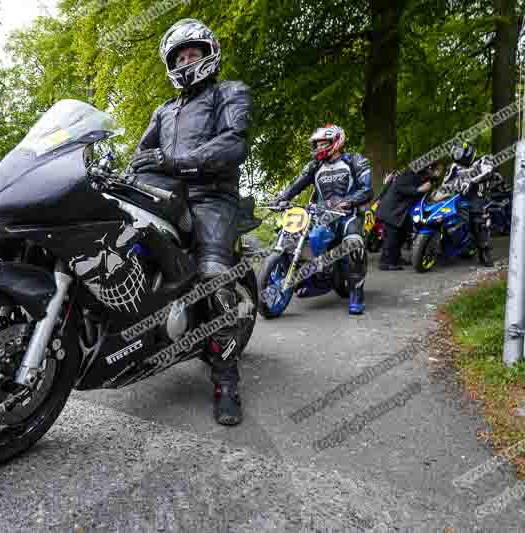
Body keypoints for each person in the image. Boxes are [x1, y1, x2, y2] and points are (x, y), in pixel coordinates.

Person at [129, 18, 252, 426]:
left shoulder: (228, 92)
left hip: (212, 197)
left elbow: (234, 141)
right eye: (179, 56)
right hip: (165, 197)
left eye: (192, 53)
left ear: (208, 54)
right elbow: (141, 155)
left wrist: (176, 162)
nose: (185, 61)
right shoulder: (163, 110)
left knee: (213, 277)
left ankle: (226, 380)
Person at [270, 124, 373, 315]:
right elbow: (295, 186)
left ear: (336, 142)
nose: (318, 148)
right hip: (321, 215)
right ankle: (307, 274)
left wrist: (349, 202)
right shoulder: (314, 166)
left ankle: (356, 296)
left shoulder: (355, 160)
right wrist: (280, 199)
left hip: (347, 215)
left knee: (353, 243)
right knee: (292, 234)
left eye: (322, 144)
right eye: (316, 145)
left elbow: (367, 190)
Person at [376, 163, 438, 270]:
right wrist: (419, 190)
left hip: (399, 213)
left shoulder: (418, 177)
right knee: (391, 238)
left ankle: (395, 258)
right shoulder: (407, 175)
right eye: (430, 170)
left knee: (401, 236)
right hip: (391, 211)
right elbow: (402, 188)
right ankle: (386, 263)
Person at [443, 143, 494, 266]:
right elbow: (445, 182)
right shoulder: (454, 166)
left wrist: (471, 181)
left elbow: (488, 172)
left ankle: (484, 252)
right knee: (445, 215)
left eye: (460, 157)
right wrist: (445, 189)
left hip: (478, 197)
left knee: (479, 222)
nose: (459, 161)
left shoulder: (484, 160)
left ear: (468, 153)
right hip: (459, 197)